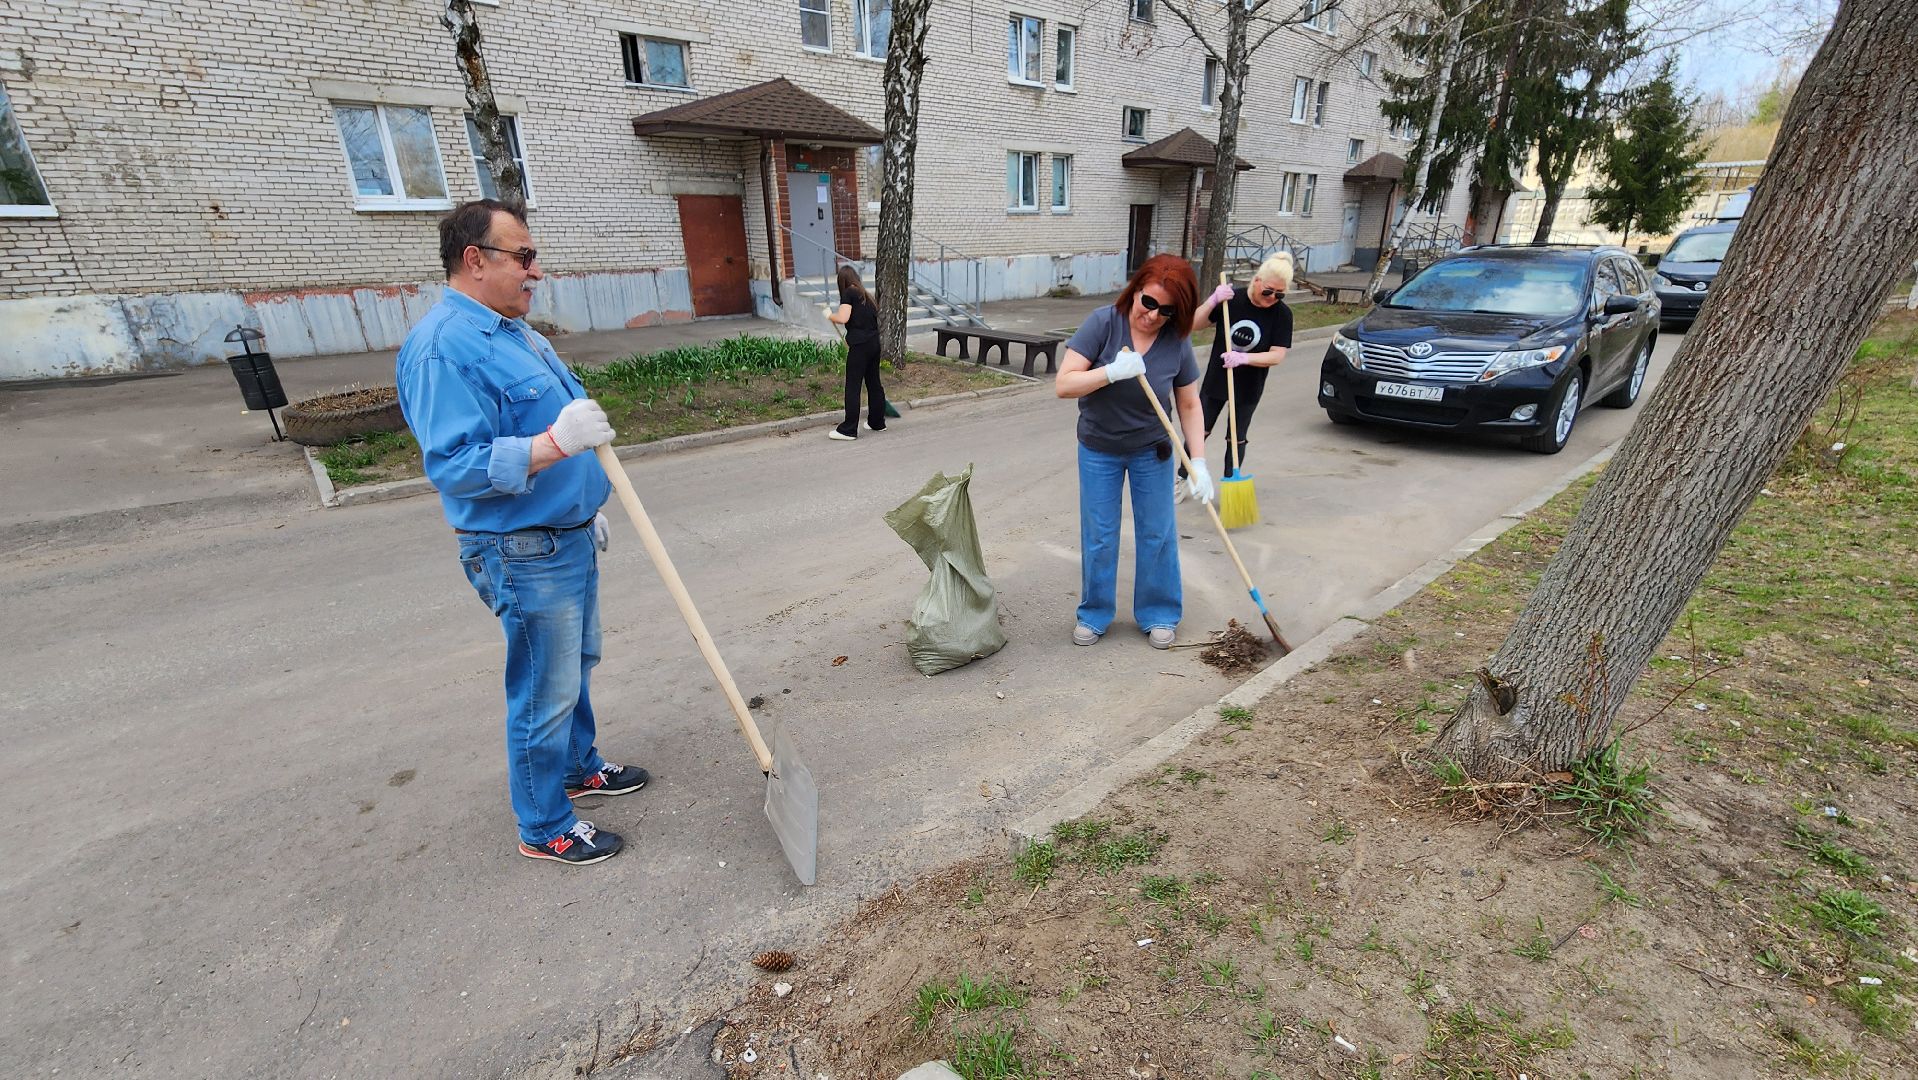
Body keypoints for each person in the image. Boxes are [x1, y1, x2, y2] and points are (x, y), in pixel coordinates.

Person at [397, 199, 649, 868]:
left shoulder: (512, 331)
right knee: (544, 686)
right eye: (525, 257)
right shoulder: (443, 347)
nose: (537, 272)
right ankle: (544, 826)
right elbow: (454, 465)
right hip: (521, 547)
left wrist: (582, 498)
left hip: (562, 532)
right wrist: (553, 444)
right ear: (475, 260)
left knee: (575, 665)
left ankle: (577, 765)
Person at [1055, 254, 1213, 650]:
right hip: (1099, 448)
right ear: (1136, 290)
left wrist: (1199, 462)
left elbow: (1190, 405)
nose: (1154, 315)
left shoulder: (1176, 340)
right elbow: (1065, 383)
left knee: (1158, 533)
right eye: (1149, 302)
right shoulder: (1103, 323)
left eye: (1167, 310)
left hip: (1152, 451)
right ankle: (1094, 613)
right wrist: (1109, 373)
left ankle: (1159, 612)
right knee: (1101, 536)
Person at [1179, 253, 1295, 500]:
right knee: (1200, 431)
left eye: (1280, 294)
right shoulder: (1231, 301)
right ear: (1257, 281)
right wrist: (1212, 301)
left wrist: (1246, 358)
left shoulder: (1282, 315)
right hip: (1217, 380)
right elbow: (1193, 325)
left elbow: (1277, 355)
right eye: (1269, 291)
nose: (1273, 298)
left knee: (1237, 437)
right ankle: (1181, 478)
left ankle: (1231, 484)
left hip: (1249, 386)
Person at [824, 264, 888, 440]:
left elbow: (843, 317)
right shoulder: (866, 296)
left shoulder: (849, 293)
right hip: (874, 344)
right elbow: (861, 321)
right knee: (874, 382)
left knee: (853, 385)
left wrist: (829, 315)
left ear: (842, 281)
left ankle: (848, 429)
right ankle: (877, 422)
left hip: (860, 347)